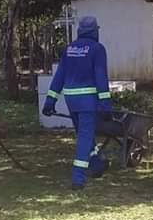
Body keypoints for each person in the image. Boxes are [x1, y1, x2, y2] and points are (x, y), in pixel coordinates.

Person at [42, 16, 112, 190]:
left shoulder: (69, 49)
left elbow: (59, 76)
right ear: (95, 31)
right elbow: (101, 78)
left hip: (71, 100)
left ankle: (96, 164)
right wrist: (105, 104)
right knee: (84, 137)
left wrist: (50, 101)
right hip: (88, 101)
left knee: (84, 133)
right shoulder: (97, 49)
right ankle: (78, 178)